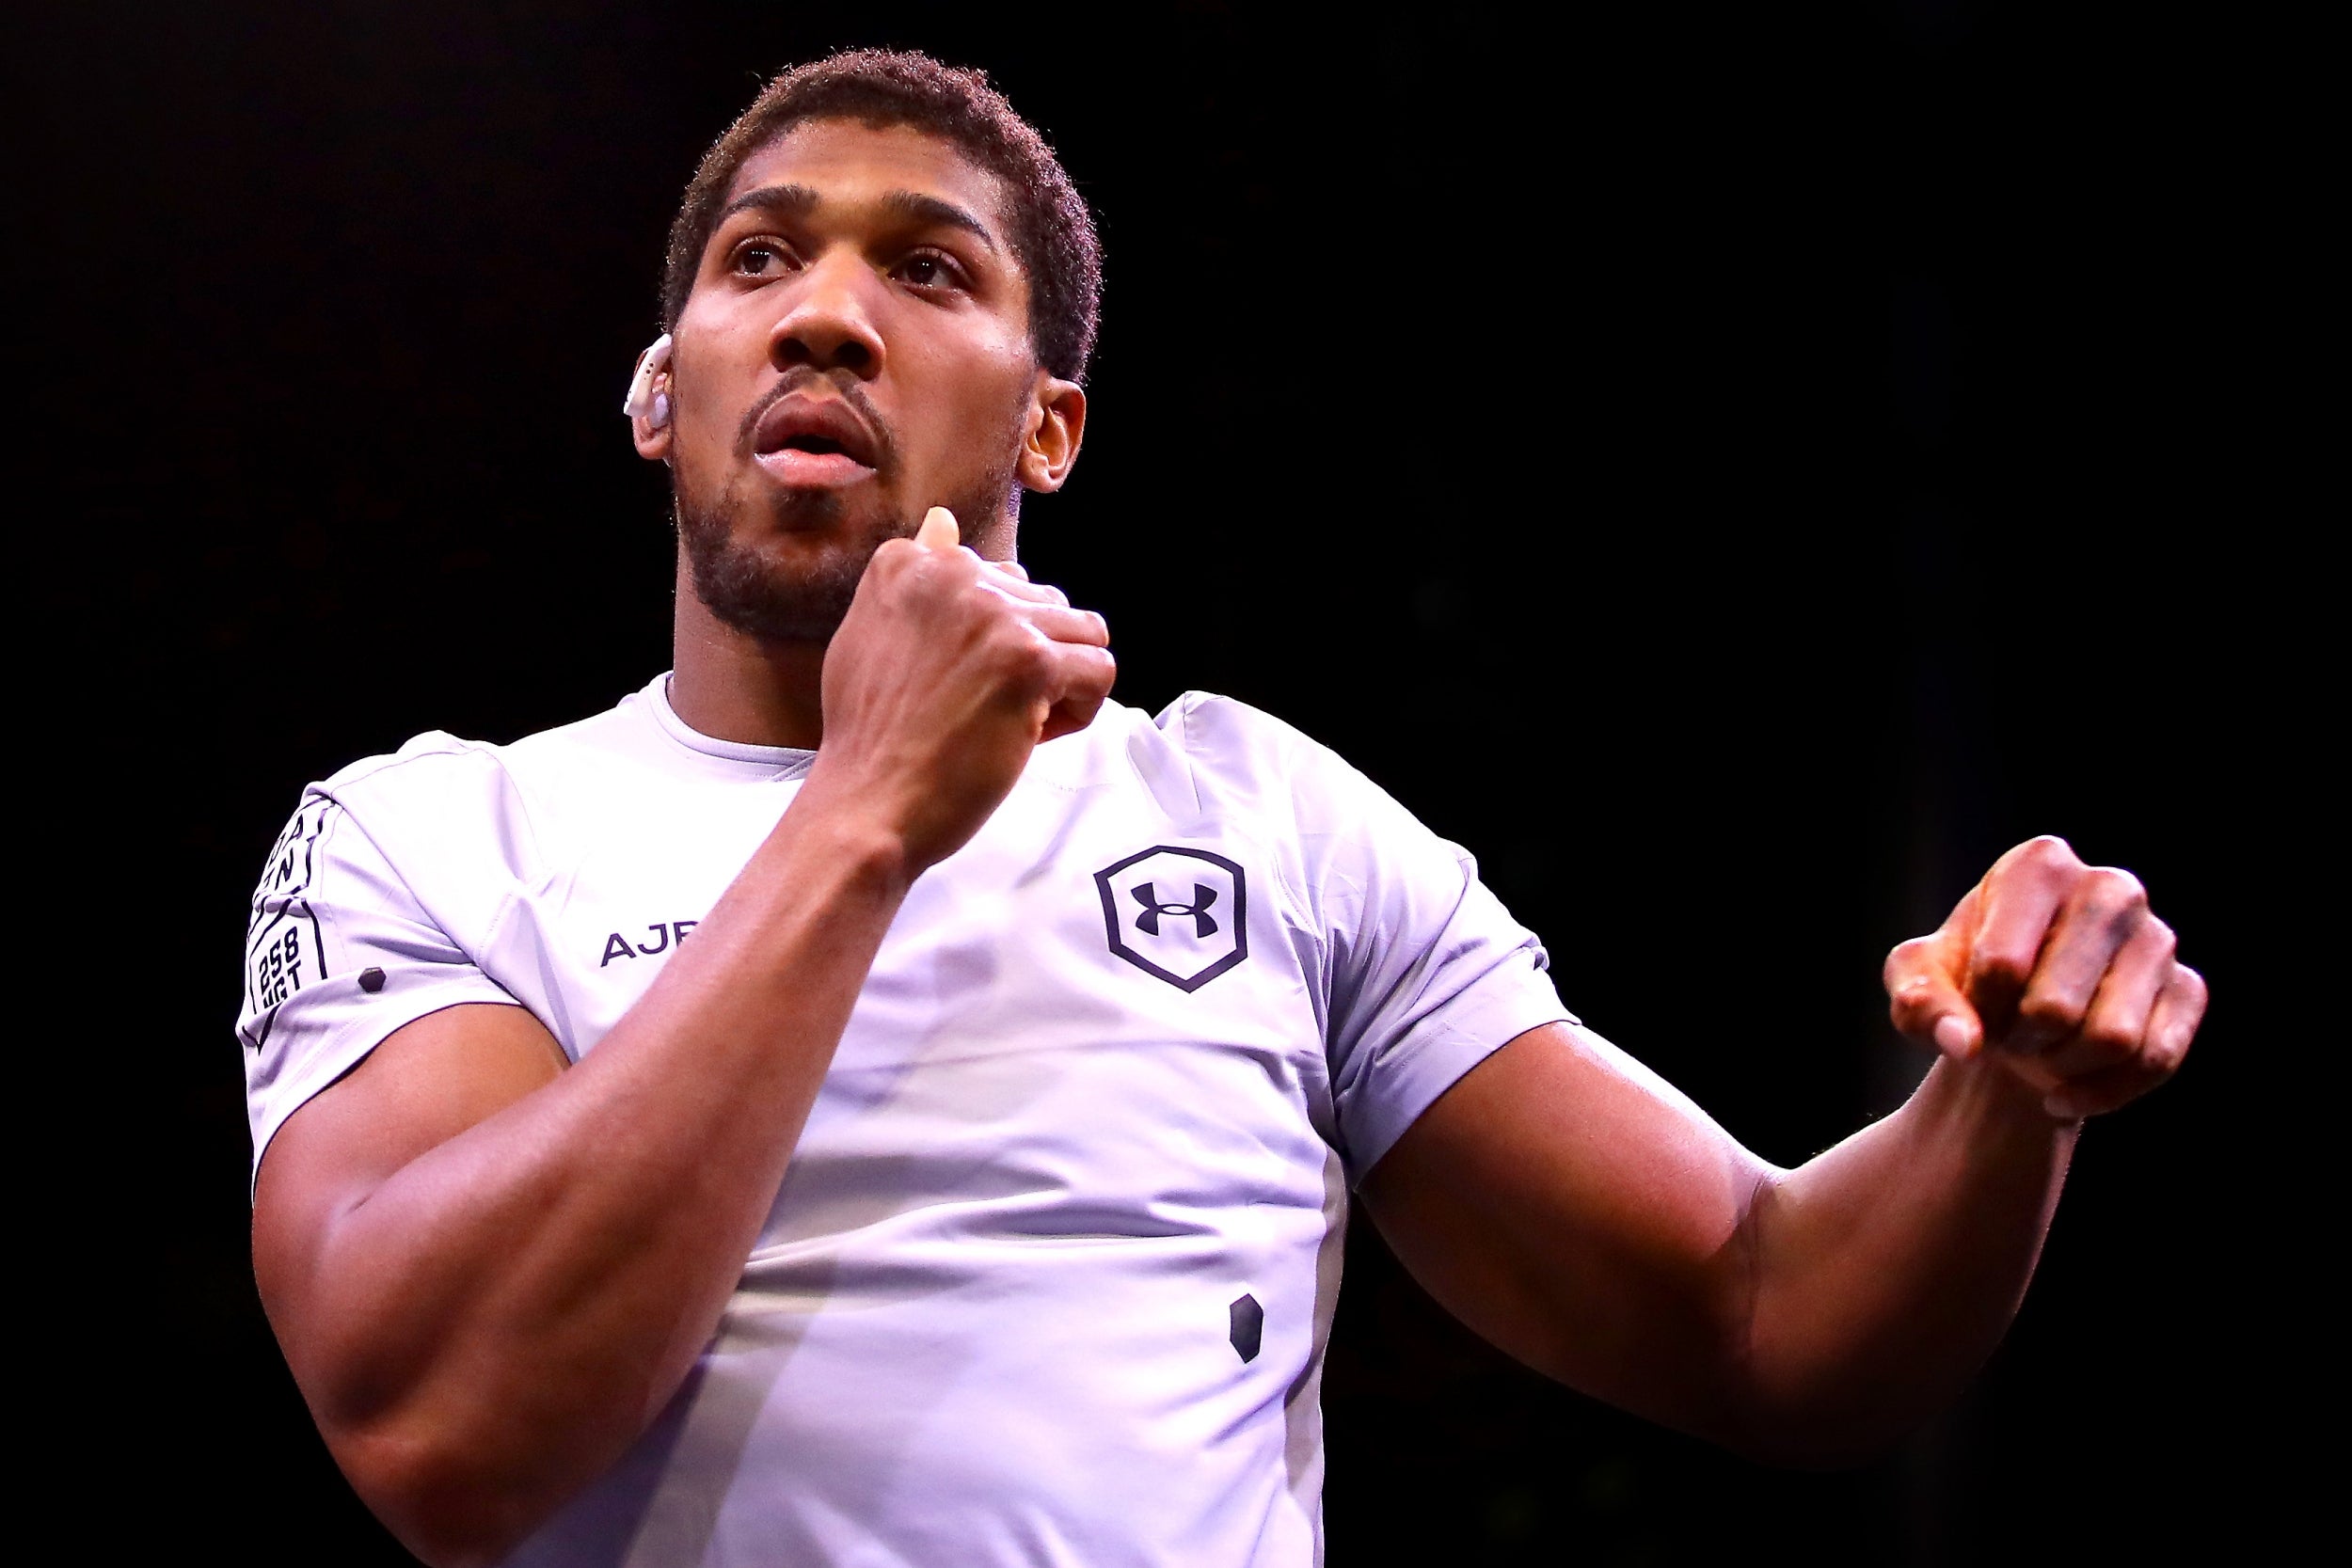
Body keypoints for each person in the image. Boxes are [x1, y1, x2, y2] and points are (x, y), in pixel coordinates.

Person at [240, 49, 2206, 1568]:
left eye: (925, 268)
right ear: (666, 393)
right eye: (762, 257)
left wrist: (1999, 1103)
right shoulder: (432, 836)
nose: (825, 313)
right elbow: (445, 1441)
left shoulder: (1260, 822)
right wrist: (863, 817)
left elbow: (1764, 1317)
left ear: (1047, 423)